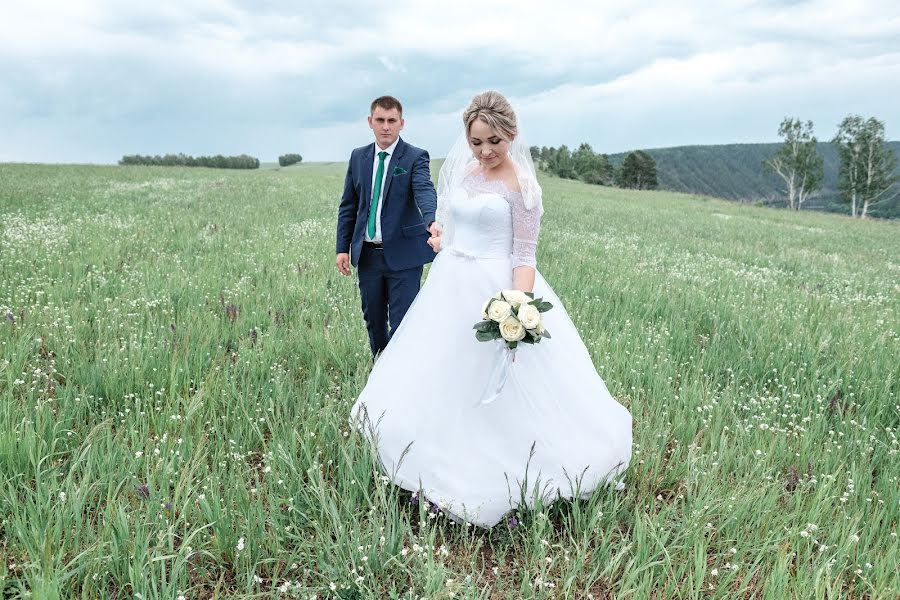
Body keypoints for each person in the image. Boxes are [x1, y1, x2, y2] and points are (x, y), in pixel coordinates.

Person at [350, 91, 632, 528]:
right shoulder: (464, 171)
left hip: (498, 287)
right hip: (452, 280)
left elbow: (524, 256)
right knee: (443, 370)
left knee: (500, 381)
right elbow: (456, 226)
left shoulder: (522, 186)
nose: (484, 152)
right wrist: (444, 242)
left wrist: (516, 308)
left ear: (511, 136)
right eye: (477, 142)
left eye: (493, 142)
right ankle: (428, 449)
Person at [335, 96, 439, 359]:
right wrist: (342, 248)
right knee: (374, 321)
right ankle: (380, 372)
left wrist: (431, 220)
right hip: (368, 255)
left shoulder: (415, 157)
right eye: (380, 120)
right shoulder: (358, 157)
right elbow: (349, 205)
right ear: (370, 122)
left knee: (403, 323)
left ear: (401, 123)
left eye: (392, 121)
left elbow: (424, 189)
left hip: (403, 256)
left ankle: (401, 375)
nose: (386, 127)